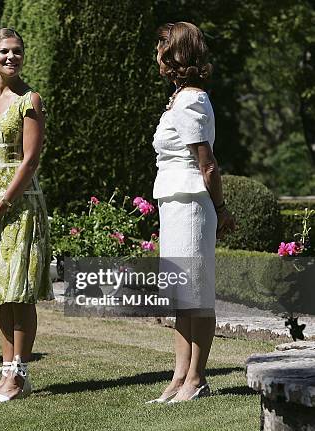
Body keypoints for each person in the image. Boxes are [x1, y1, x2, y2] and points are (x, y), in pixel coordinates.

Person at [147, 22, 236, 403]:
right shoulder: (180, 98)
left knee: (196, 295)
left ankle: (197, 378)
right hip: (174, 203)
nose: (156, 53)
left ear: (174, 53)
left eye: (161, 47)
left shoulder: (192, 101)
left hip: (192, 206)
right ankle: (178, 377)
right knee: (181, 297)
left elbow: (208, 165)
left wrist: (220, 209)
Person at [0, 28, 53, 403]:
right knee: (1, 293)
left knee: (21, 292)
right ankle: (5, 373)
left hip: (20, 207)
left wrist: (4, 201)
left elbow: (31, 160)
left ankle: (19, 374)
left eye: (18, 51)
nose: (12, 57)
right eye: (4, 51)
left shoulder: (29, 100)